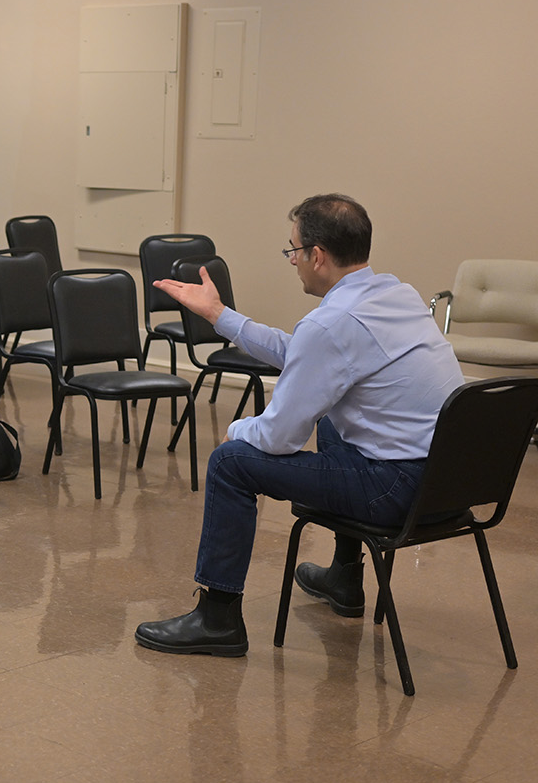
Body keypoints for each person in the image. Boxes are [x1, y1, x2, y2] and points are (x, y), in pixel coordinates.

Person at [134, 193, 465, 657]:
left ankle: (218, 619)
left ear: (317, 256)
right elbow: (308, 355)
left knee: (232, 462)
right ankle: (345, 580)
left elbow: (276, 436)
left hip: (399, 492)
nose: (292, 261)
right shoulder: (395, 294)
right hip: (449, 484)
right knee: (333, 420)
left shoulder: (330, 323)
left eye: (293, 250)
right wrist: (218, 315)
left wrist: (238, 429)